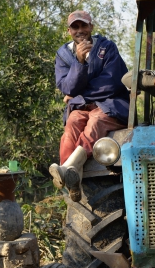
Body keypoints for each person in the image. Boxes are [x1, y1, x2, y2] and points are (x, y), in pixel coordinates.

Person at [49, 11, 130, 201]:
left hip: (110, 107)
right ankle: (70, 178)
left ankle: (70, 167)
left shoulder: (107, 48)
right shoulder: (64, 55)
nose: (80, 31)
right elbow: (66, 86)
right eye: (75, 27)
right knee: (73, 121)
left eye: (83, 26)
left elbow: (110, 84)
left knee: (96, 120)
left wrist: (77, 95)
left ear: (91, 27)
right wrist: (79, 62)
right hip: (82, 108)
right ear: (69, 31)